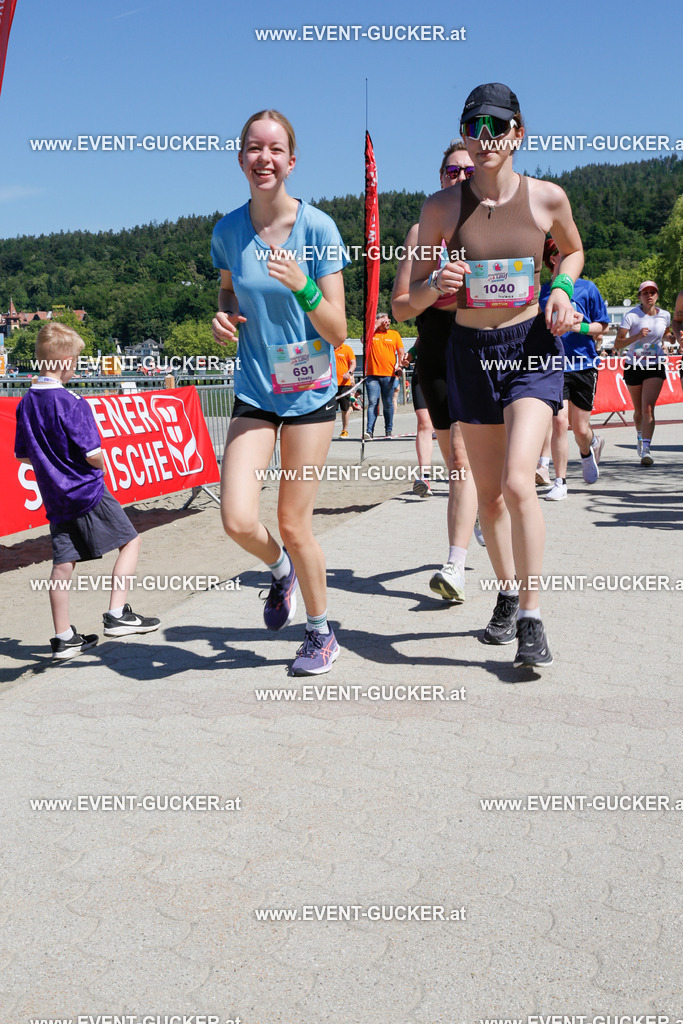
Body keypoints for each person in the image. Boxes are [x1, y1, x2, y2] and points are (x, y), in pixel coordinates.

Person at [409, 83, 584, 668]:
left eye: (496, 126)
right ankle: (507, 593)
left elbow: (574, 251)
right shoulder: (439, 208)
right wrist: (436, 286)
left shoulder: (546, 199)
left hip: (530, 345)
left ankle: (532, 616)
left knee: (516, 482)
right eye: (473, 127)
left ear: (518, 132)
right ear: (463, 134)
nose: (484, 138)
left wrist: (559, 288)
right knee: (488, 497)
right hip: (469, 351)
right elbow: (400, 305)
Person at [210, 109, 348, 676]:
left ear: (291, 161)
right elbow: (227, 294)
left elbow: (339, 330)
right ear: (241, 157)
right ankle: (279, 572)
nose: (263, 158)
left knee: (294, 521)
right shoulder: (227, 231)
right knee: (238, 518)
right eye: (252, 147)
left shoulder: (317, 229)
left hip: (311, 391)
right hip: (255, 390)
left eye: (274, 149)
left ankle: (320, 634)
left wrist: (305, 286)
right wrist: (222, 317)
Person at [14, 322, 159, 660]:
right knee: (131, 541)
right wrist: (105, 464)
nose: (78, 365)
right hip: (86, 491)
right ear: (65, 361)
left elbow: (23, 454)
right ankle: (118, 614)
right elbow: (92, 454)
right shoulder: (72, 402)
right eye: (77, 359)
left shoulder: (25, 403)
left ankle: (64, 637)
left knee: (63, 564)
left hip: (54, 497)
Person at [392, 141, 480, 603]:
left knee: (469, 462)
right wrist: (433, 284)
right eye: (452, 171)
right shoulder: (421, 230)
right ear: (441, 176)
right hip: (437, 347)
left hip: (484, 347)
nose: (460, 178)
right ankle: (470, 529)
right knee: (457, 463)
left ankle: (454, 563)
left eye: (468, 170)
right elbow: (400, 306)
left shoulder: (497, 223)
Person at [538, 236, 609, 500]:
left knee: (580, 429)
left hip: (585, 364)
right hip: (555, 366)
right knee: (559, 423)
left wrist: (579, 326)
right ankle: (560, 482)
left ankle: (589, 446)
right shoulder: (543, 293)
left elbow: (603, 327)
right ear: (554, 259)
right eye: (562, 253)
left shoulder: (588, 289)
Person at [614, 281, 672, 466]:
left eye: (652, 292)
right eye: (645, 292)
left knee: (648, 407)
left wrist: (671, 338)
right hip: (634, 365)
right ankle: (640, 435)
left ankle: (646, 449)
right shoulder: (631, 316)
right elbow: (618, 344)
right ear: (639, 296)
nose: (649, 295)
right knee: (638, 410)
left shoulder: (665, 315)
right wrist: (637, 336)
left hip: (655, 364)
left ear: (657, 295)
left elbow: (665, 334)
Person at [400, 339, 436, 496]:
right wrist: (411, 354)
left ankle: (461, 476)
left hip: (453, 367)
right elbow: (423, 337)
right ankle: (424, 478)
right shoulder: (424, 313)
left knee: (454, 426)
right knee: (424, 423)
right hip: (423, 369)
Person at [364, 312, 404, 439]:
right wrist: (374, 326)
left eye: (388, 321)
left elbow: (401, 351)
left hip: (389, 375)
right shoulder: (371, 334)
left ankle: (388, 429)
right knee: (372, 402)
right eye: (384, 321)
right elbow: (363, 340)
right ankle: (369, 431)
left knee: (387, 403)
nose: (387, 324)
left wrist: (399, 365)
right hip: (372, 375)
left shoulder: (394, 334)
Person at [334, 339, 356, 437]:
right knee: (329, 409)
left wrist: (349, 372)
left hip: (344, 384)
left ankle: (345, 430)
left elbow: (353, 363)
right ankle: (327, 432)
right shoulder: (328, 348)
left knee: (345, 408)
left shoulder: (347, 349)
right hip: (330, 385)